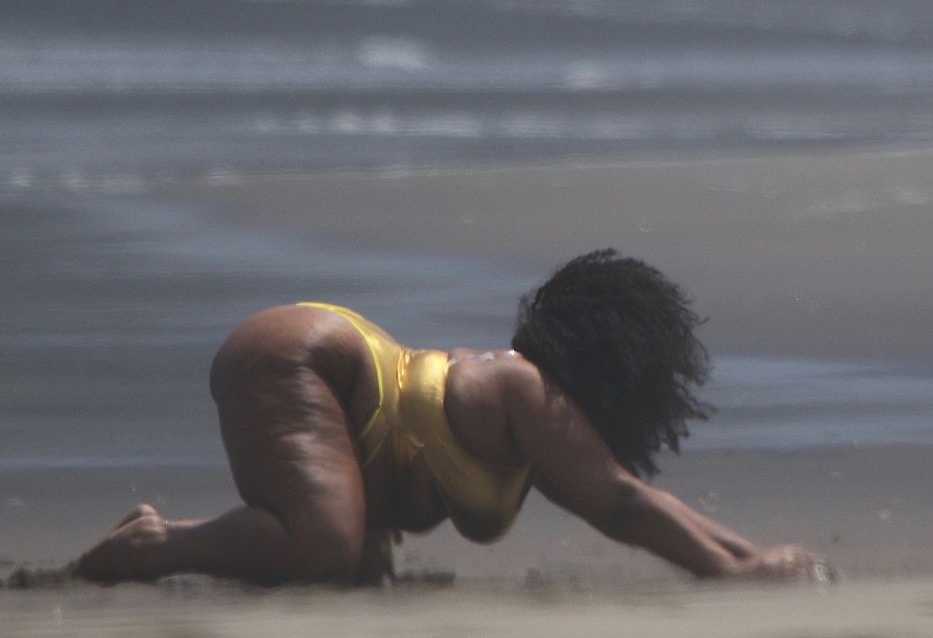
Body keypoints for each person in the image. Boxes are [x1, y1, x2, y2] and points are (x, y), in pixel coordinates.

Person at [74, 249, 829, 585]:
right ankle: (156, 543)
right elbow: (621, 503)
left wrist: (750, 554)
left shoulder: (538, 420)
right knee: (322, 546)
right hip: (303, 353)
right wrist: (736, 570)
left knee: (338, 563)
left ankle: (192, 537)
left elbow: (625, 490)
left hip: (346, 377)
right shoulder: (527, 389)